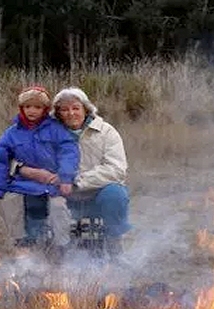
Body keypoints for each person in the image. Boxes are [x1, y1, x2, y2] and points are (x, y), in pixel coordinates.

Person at [17, 87, 131, 260]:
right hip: (59, 192)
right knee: (30, 193)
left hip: (96, 191)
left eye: (76, 108)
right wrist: (26, 169)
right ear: (58, 113)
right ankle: (39, 252)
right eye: (64, 109)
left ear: (86, 109)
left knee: (116, 193)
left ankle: (115, 246)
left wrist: (75, 181)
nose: (71, 113)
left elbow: (116, 169)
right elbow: (19, 155)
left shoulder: (106, 132)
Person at [0, 85, 79, 253]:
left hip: (52, 183)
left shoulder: (56, 129)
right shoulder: (12, 133)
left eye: (37, 107)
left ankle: (62, 246)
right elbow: (0, 160)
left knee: (59, 207)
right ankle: (21, 243)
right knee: (8, 201)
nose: (32, 111)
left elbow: (69, 153)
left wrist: (65, 178)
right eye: (28, 107)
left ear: (45, 109)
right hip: (22, 183)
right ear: (21, 108)